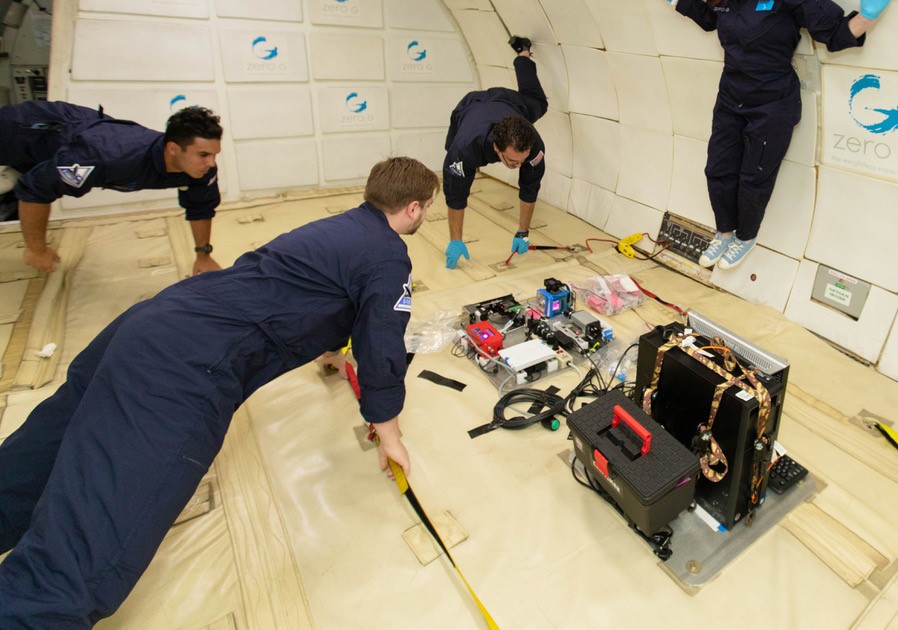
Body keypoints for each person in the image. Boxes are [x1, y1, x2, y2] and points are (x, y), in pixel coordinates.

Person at [0, 156, 438, 625]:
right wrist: (388, 432)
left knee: (35, 461)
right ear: (413, 208)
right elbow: (382, 344)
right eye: (427, 208)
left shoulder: (337, 227)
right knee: (82, 554)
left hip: (150, 323)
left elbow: (307, 286)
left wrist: (330, 348)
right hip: (181, 368)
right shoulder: (389, 256)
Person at [655, 0, 896, 270]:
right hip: (730, 97)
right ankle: (724, 232)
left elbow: (834, 35)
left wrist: (868, 15)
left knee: (754, 177)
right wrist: (679, 0)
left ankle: (745, 236)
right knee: (717, 170)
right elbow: (711, 19)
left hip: (772, 104)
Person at [0, 101, 224, 276]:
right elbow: (35, 190)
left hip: (70, 140)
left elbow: (200, 207)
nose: (211, 163)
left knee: (40, 171)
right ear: (174, 149)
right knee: (37, 177)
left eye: (214, 154)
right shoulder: (109, 156)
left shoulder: (202, 170)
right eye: (203, 154)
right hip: (24, 128)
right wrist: (36, 249)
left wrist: (203, 256)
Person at [442, 35, 547, 269]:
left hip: (509, 102)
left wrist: (523, 232)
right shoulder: (466, 147)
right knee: (455, 171)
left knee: (540, 103)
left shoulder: (535, 146)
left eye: (521, 161)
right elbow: (456, 195)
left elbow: (530, 188)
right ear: (496, 148)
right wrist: (455, 240)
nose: (516, 166)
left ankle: (523, 53)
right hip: (470, 107)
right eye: (511, 161)